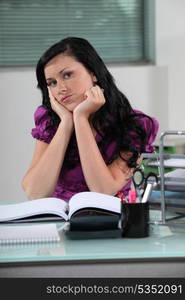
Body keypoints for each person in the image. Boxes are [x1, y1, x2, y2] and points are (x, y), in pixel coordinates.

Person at [22, 37, 159, 201]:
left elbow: (103, 190)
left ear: (93, 73)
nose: (61, 89)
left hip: (109, 221)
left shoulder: (134, 125)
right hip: (57, 220)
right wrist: (66, 123)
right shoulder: (50, 120)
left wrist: (81, 118)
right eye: (52, 83)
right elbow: (34, 192)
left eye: (67, 75)